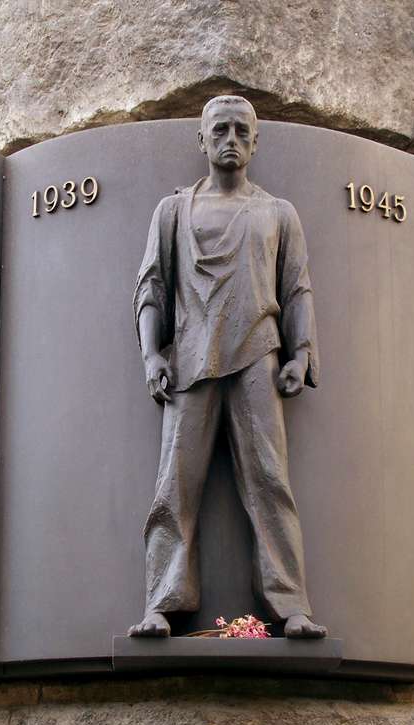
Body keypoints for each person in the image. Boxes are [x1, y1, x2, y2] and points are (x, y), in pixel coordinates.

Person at [128, 95, 326, 639]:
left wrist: (301, 352)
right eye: (220, 130)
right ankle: (161, 605)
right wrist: (151, 354)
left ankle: (291, 607)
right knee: (175, 486)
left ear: (255, 142)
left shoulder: (278, 213)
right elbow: (152, 289)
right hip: (190, 360)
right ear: (203, 139)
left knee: (271, 482)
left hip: (257, 358)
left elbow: (297, 287)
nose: (231, 139)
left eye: (242, 130)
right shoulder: (171, 212)